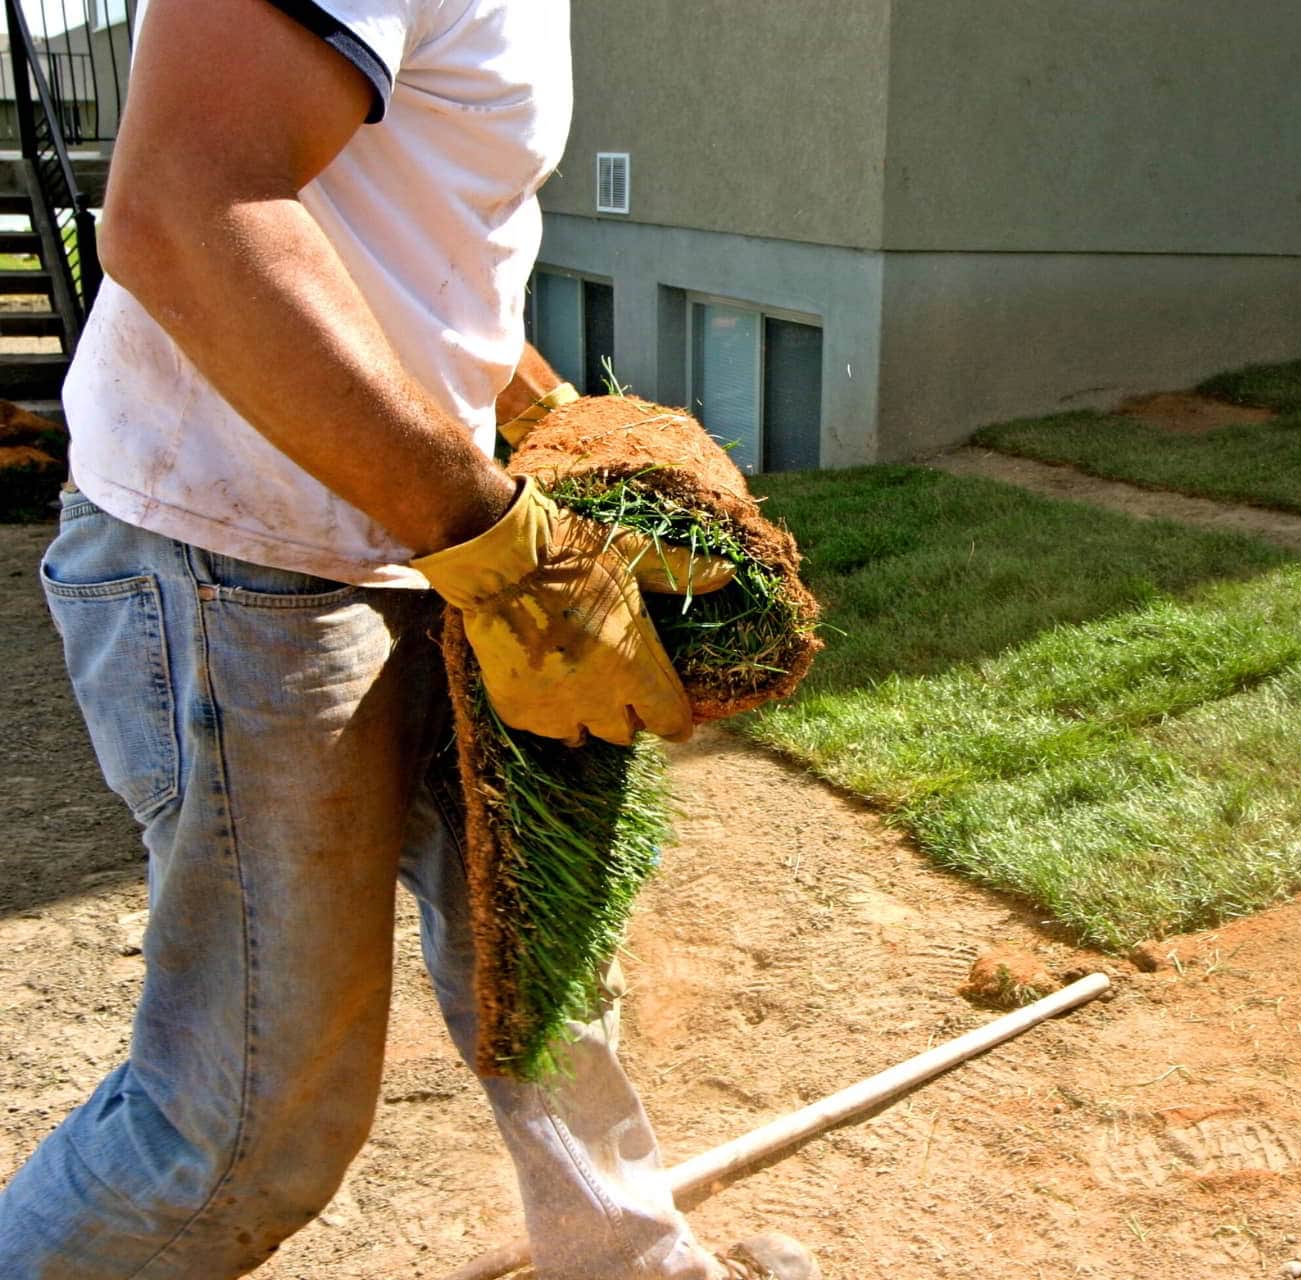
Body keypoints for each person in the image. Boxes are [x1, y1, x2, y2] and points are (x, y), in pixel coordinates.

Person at [0, 2, 819, 1277]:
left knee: (536, 945)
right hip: (243, 554)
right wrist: (500, 545)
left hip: (413, 531)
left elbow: (402, 243)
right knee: (244, 1123)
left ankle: (631, 1261)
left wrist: (548, 415)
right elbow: (184, 205)